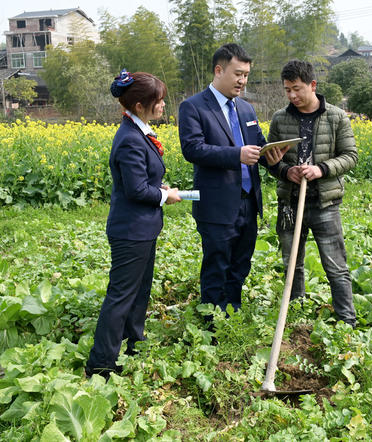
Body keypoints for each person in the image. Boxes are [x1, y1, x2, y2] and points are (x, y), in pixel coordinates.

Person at [178, 44, 286, 320]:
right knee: (217, 263)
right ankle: (210, 321)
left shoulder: (247, 109)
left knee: (241, 261)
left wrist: (271, 156)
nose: (243, 81)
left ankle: (232, 311)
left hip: (248, 201)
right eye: (238, 74)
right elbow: (192, 149)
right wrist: (235, 155)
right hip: (216, 203)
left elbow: (257, 146)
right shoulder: (193, 107)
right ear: (219, 70)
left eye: (247, 75)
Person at [86, 70, 181, 378]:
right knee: (121, 295)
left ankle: (133, 345)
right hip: (131, 231)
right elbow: (136, 189)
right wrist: (164, 197)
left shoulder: (138, 131)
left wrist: (160, 188)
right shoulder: (129, 139)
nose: (163, 105)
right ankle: (101, 364)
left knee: (139, 291)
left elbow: (143, 181)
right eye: (159, 100)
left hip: (143, 228)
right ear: (140, 105)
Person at [268, 60, 357, 327]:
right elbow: (270, 159)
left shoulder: (336, 116)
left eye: (297, 89)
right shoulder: (280, 118)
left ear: (312, 85)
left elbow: (350, 156)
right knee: (292, 264)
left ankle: (347, 322)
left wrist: (322, 169)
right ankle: (296, 317)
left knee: (336, 267)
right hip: (290, 204)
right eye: (287, 90)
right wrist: (285, 171)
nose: (292, 95)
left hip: (325, 204)